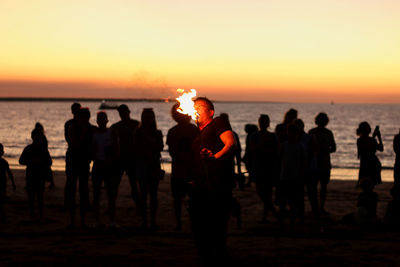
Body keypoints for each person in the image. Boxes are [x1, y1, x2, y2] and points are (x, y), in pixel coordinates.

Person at [189, 97, 236, 262]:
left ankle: (219, 258)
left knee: (216, 227)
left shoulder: (217, 122)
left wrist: (215, 157)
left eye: (199, 107)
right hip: (200, 187)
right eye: (193, 106)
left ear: (211, 112)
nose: (195, 109)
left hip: (216, 186)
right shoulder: (198, 134)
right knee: (200, 228)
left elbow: (230, 143)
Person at [167, 103, 199, 230]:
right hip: (180, 171)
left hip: (190, 171)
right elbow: (172, 152)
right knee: (179, 199)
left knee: (192, 199)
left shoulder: (194, 130)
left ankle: (186, 223)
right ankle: (180, 223)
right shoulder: (173, 131)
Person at [133, 108, 164, 230]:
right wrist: (150, 147)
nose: (148, 119)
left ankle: (152, 221)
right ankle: (145, 221)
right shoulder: (138, 132)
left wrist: (150, 146)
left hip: (153, 164)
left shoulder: (157, 132)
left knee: (153, 194)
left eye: (150, 116)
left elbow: (160, 147)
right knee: (144, 194)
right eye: (146, 116)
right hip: (142, 164)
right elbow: (136, 148)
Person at [66, 107, 94, 228]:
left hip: (84, 163)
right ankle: (72, 221)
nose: (85, 120)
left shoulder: (91, 129)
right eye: (83, 118)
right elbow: (75, 144)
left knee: (83, 190)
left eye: (87, 118)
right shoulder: (72, 127)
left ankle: (82, 220)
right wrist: (83, 131)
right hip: (73, 161)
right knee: (72, 190)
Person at [91, 112, 119, 228]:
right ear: (97, 121)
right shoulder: (94, 134)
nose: (102, 121)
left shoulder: (111, 133)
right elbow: (91, 149)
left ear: (107, 121)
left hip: (109, 166)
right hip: (97, 165)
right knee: (96, 194)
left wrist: (110, 161)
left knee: (111, 195)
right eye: (100, 119)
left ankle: (112, 220)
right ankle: (97, 220)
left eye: (103, 119)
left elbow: (116, 149)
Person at [249, 114, 279, 223]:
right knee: (260, 191)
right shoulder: (254, 136)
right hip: (258, 167)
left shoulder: (273, 136)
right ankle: (273, 212)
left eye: (265, 121)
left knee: (268, 192)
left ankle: (266, 216)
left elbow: (276, 151)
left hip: (269, 167)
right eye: (261, 121)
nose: (263, 123)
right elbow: (253, 150)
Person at [111, 104, 140, 212]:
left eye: (124, 112)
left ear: (128, 112)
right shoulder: (116, 127)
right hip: (119, 159)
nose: (123, 114)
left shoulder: (136, 125)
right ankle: (112, 207)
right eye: (121, 112)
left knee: (133, 185)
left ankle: (138, 206)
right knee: (115, 184)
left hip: (131, 159)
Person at [19, 129, 52, 222]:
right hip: (31, 175)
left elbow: (49, 162)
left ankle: (40, 216)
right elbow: (21, 161)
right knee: (32, 197)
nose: (37, 138)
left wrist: (40, 162)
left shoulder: (42, 150)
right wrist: (31, 161)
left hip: (39, 175)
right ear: (32, 137)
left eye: (39, 136)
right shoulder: (29, 149)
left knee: (39, 197)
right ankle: (33, 216)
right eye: (36, 136)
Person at [278, 123, 306, 227]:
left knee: (294, 200)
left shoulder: (300, 146)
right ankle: (282, 220)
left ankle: (294, 219)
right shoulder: (284, 145)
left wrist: (301, 175)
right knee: (284, 200)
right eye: (291, 133)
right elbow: (279, 160)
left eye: (294, 133)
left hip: (296, 177)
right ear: (288, 133)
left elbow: (303, 162)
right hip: (285, 176)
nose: (292, 135)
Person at [308, 112, 336, 214]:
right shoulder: (314, 132)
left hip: (322, 163)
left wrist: (324, 150)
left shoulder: (316, 132)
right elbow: (333, 148)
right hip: (318, 163)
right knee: (318, 187)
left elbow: (333, 148)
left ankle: (319, 207)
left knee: (319, 187)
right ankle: (318, 207)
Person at [64, 102, 81, 208]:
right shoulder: (69, 124)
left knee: (80, 181)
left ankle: (71, 202)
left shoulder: (84, 123)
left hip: (79, 155)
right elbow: (68, 139)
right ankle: (68, 202)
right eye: (75, 109)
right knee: (71, 180)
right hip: (72, 154)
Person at [356, 122, 383, 186]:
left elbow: (380, 148)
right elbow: (380, 148)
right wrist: (378, 137)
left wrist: (377, 137)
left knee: (367, 183)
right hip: (370, 163)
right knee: (369, 183)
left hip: (367, 163)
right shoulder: (362, 140)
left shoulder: (360, 140)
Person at [34, 122, 54, 188]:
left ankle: (52, 183)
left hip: (43, 154)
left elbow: (44, 147)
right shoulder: (39, 136)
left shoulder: (43, 137)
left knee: (47, 169)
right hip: (41, 154)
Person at [0, 144, 16, 223]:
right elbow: (9, 173)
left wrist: (13, 183)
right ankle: (3, 217)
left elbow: (9, 173)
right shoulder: (4, 162)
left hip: (2, 184)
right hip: (2, 184)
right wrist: (13, 183)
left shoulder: (4, 162)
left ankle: (3, 217)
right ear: (2, 152)